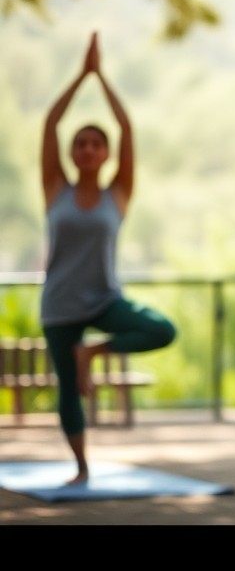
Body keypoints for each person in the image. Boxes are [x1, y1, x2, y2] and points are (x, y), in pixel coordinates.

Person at [39, 31, 177, 486]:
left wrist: (103, 78)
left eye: (96, 144)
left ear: (106, 154)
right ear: (73, 153)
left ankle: (91, 351)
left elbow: (128, 129)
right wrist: (82, 76)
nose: (88, 150)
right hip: (59, 303)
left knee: (161, 330)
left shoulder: (117, 194)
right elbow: (50, 125)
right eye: (81, 144)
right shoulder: (55, 189)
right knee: (68, 391)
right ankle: (80, 469)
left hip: (102, 299)